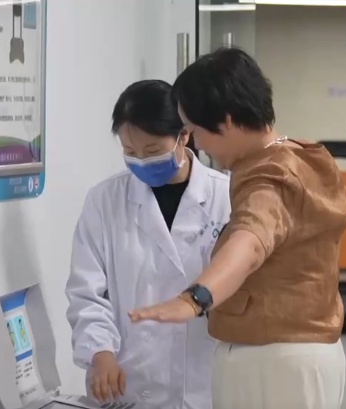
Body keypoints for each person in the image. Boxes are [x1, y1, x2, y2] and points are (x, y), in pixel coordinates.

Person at [129, 47, 346, 409]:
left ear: (228, 120)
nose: (198, 145)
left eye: (196, 131)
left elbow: (249, 243)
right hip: (298, 355)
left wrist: (193, 300)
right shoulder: (302, 156)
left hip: (274, 361)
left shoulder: (269, 176)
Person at [65, 79, 231, 409]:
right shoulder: (105, 201)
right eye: (130, 152)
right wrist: (100, 353)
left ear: (184, 136)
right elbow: (87, 293)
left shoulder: (225, 197)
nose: (141, 161)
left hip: (204, 381)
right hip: (128, 382)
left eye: (153, 151)